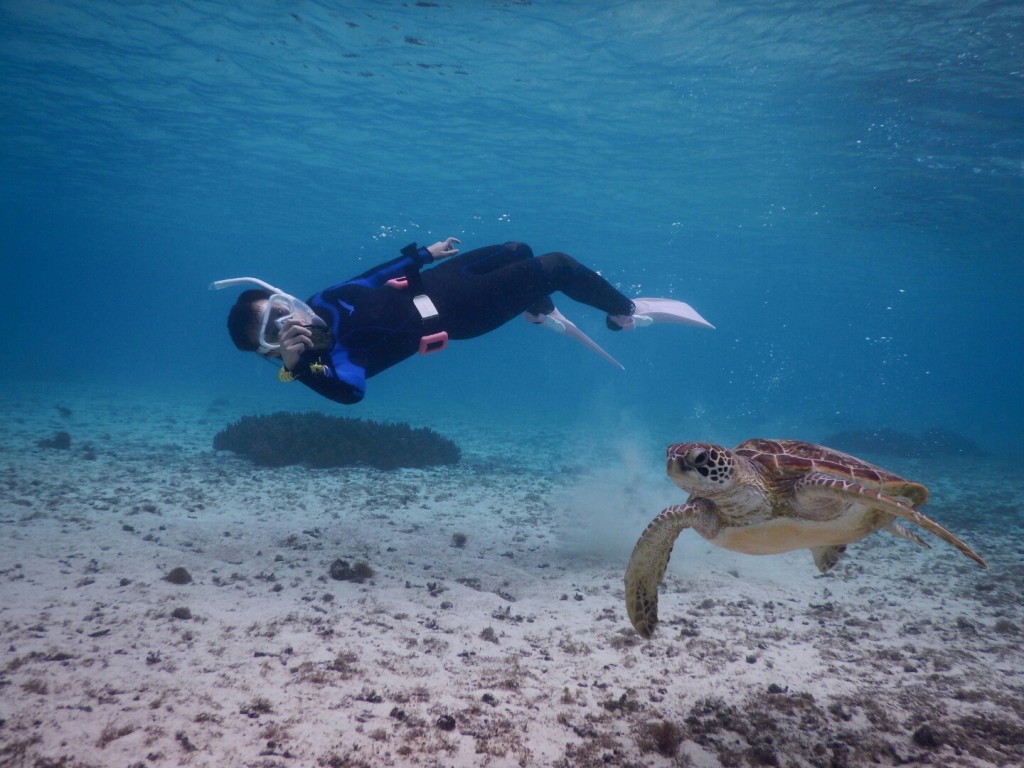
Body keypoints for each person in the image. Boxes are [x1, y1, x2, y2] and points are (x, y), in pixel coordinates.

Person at [212, 239, 712, 405]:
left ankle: (537, 311)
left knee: (519, 250)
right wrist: (300, 366)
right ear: (271, 352)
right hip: (461, 313)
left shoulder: (320, 299)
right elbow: (350, 393)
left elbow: (368, 280)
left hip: (437, 284)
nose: (289, 320)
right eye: (274, 329)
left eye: (280, 308)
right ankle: (625, 315)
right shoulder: (331, 359)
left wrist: (418, 256)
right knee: (556, 266)